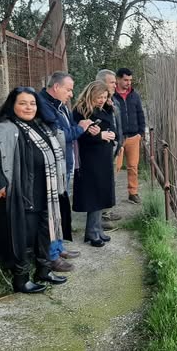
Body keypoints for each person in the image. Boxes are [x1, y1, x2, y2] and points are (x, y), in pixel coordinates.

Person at [0, 87, 68, 293]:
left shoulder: (41, 126)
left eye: (32, 103)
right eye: (22, 103)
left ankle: (44, 271)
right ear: (12, 105)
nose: (28, 107)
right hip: (23, 195)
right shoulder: (6, 129)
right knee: (22, 239)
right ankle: (21, 280)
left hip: (46, 194)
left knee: (45, 234)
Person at [38, 72, 99, 271]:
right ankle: (52, 255)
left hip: (65, 164)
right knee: (51, 212)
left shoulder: (60, 106)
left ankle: (59, 247)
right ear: (56, 87)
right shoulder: (44, 107)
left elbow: (69, 128)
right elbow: (59, 136)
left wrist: (82, 127)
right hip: (53, 167)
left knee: (60, 208)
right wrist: (80, 128)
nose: (71, 94)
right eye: (69, 89)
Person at [72, 81, 117, 247]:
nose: (102, 100)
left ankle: (97, 229)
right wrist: (100, 136)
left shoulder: (105, 109)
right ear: (91, 95)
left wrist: (111, 134)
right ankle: (92, 232)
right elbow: (78, 135)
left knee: (101, 193)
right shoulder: (80, 111)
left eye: (105, 97)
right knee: (94, 195)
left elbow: (111, 126)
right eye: (99, 97)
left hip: (103, 157)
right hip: (89, 158)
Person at [113, 68, 146, 204]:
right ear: (118, 79)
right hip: (118, 138)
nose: (128, 83)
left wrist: (141, 132)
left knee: (133, 166)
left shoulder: (134, 95)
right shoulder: (111, 96)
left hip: (133, 137)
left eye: (130, 80)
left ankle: (133, 193)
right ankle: (110, 196)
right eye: (126, 80)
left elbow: (140, 114)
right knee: (115, 167)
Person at [95, 69, 123, 225]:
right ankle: (101, 217)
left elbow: (117, 124)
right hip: (102, 150)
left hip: (114, 147)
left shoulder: (113, 101)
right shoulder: (96, 102)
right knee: (102, 183)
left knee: (111, 181)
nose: (115, 85)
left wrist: (120, 143)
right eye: (112, 82)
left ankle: (107, 211)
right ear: (101, 83)